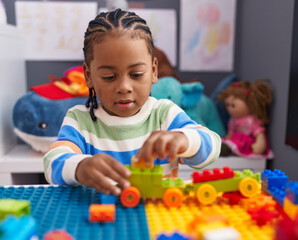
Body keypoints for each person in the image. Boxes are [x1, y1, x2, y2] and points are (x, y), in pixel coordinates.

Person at [43, 9, 221, 196]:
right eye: (109, 77)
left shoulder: (164, 114)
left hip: (159, 217)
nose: (124, 87)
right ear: (88, 75)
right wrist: (80, 166)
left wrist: (184, 140)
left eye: (136, 74)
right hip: (102, 220)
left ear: (153, 70)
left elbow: (212, 147)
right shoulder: (80, 120)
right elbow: (52, 163)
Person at [218, 79, 273, 159]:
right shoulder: (233, 120)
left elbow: (259, 133)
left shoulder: (252, 121)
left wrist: (259, 145)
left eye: (233, 105)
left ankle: (224, 149)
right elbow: (231, 133)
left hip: (245, 143)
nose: (230, 109)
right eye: (228, 105)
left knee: (232, 146)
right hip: (234, 139)